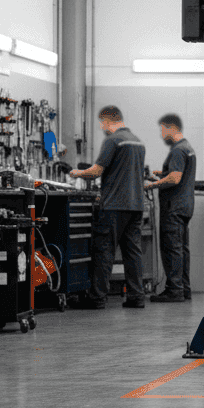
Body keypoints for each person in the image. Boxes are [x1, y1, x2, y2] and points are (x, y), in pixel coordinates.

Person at [70, 106, 146, 309]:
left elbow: (96, 171)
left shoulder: (113, 140)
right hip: (136, 205)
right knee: (133, 253)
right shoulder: (138, 142)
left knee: (104, 251)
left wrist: (76, 173)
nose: (102, 128)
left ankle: (97, 297)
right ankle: (136, 296)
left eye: (102, 124)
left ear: (108, 121)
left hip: (114, 205)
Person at [144, 114, 196, 302]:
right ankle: (184, 288)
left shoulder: (177, 150)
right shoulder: (188, 148)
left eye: (162, 130)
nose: (161, 134)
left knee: (172, 248)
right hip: (185, 206)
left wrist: (150, 185)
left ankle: (174, 290)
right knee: (182, 249)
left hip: (173, 208)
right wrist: (161, 175)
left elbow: (175, 178)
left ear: (171, 128)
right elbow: (176, 174)